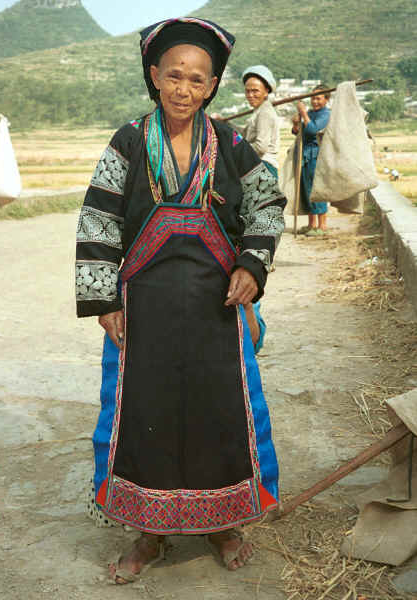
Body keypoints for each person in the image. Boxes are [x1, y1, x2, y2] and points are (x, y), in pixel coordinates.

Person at [75, 17, 286, 583]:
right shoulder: (127, 140)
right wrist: (104, 301)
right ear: (154, 75)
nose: (184, 90)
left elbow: (267, 206)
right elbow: (97, 217)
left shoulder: (232, 144)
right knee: (148, 413)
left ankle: (223, 523)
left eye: (197, 80)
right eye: (174, 76)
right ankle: (150, 531)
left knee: (220, 410)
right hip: (144, 310)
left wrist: (251, 264)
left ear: (212, 85)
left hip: (217, 309)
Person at [291, 85, 331, 236]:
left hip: (317, 155)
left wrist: (303, 113)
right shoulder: (310, 113)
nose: (315, 102)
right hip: (305, 154)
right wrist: (296, 123)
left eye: (318, 98)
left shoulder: (326, 114)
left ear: (326, 99)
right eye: (313, 98)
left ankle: (322, 225)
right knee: (307, 189)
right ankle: (311, 224)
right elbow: (300, 132)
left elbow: (313, 130)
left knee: (317, 189)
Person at [238, 65, 280, 179]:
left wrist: (236, 150)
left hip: (264, 167)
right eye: (247, 91)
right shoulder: (259, 110)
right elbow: (244, 133)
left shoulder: (264, 113)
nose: (250, 95)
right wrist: (224, 124)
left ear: (266, 92)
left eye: (255, 91)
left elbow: (260, 148)